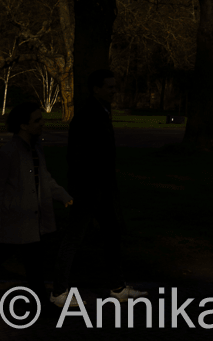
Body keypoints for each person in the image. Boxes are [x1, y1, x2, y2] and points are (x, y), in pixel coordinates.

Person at [51, 68, 144, 306]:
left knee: (111, 234)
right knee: (75, 237)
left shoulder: (100, 112)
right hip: (89, 189)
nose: (114, 91)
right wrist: (88, 188)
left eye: (115, 86)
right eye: (110, 87)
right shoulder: (89, 116)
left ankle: (117, 286)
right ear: (97, 89)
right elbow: (80, 157)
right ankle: (59, 291)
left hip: (99, 188)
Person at [0, 101, 71, 295]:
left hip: (30, 219)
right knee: (25, 259)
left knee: (34, 263)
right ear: (23, 125)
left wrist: (64, 197)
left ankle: (39, 302)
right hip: (15, 219)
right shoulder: (9, 153)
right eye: (37, 120)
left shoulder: (35, 149)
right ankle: (40, 303)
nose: (42, 124)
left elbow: (44, 178)